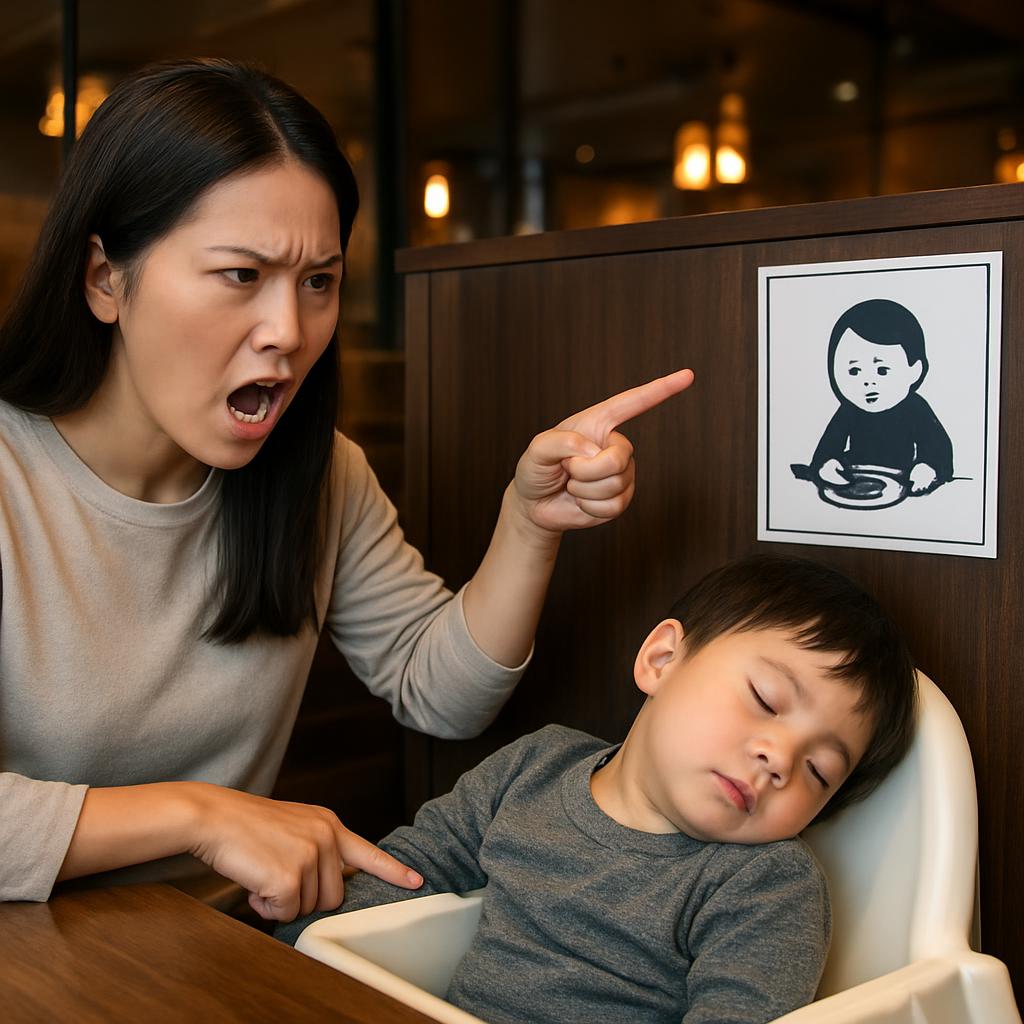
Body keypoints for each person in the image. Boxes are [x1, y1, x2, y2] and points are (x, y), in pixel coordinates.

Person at [0, 57, 693, 920]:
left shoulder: (320, 474)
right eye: (241, 275)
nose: (288, 331)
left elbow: (441, 694)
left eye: (319, 282)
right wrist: (198, 816)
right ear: (105, 277)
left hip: (214, 947)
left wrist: (530, 521)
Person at [277, 554, 917, 1024]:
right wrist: (291, 950)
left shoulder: (766, 884)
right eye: (766, 699)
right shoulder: (536, 767)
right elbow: (408, 870)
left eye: (818, 771)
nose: (779, 760)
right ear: (662, 660)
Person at [804, 298, 953, 495]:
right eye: (854, 371)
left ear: (915, 370)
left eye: (882, 370)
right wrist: (827, 465)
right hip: (855, 479)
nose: (867, 382)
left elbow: (938, 448)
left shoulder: (915, 407)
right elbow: (828, 446)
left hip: (903, 481)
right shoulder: (849, 410)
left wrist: (927, 469)